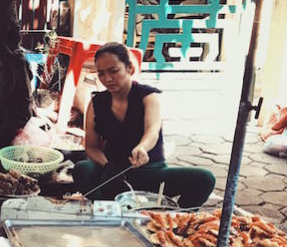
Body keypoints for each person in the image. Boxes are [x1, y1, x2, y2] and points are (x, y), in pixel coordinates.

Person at [72, 42, 215, 209]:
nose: (107, 79)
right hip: (114, 175)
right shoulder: (96, 103)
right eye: (101, 73)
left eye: (113, 71)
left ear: (130, 69)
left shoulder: (148, 96)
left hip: (151, 172)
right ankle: (106, 211)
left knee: (204, 178)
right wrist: (107, 165)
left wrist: (142, 148)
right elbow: (91, 146)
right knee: (83, 169)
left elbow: (152, 130)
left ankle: (176, 218)